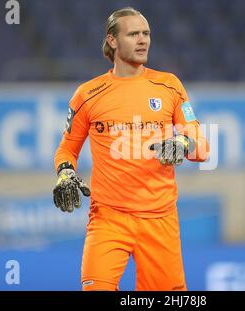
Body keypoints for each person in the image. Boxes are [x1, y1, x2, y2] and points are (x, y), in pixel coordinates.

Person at [53, 7, 209, 291]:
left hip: (159, 219)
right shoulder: (87, 94)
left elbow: (201, 143)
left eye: (146, 33)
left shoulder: (169, 86)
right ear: (112, 41)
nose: (143, 40)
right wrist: (65, 173)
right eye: (134, 34)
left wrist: (183, 142)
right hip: (108, 218)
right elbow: (66, 149)